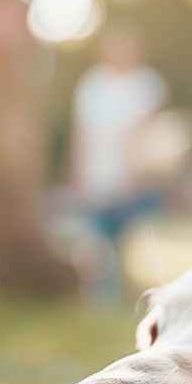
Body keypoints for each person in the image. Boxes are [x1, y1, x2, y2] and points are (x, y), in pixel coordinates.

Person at [69, 28, 169, 298]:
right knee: (97, 239)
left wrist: (135, 170)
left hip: (135, 176)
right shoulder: (92, 85)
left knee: (132, 236)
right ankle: (102, 294)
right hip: (98, 174)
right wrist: (78, 172)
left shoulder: (147, 83)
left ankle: (134, 290)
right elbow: (81, 133)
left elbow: (146, 130)